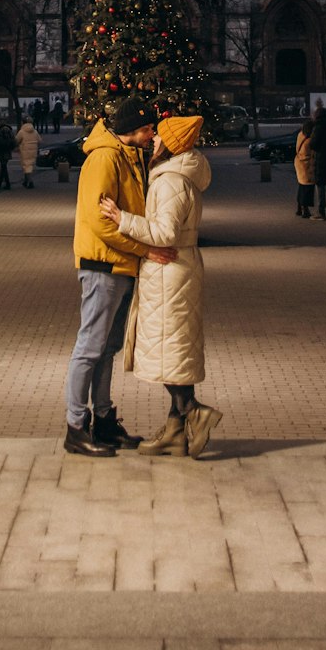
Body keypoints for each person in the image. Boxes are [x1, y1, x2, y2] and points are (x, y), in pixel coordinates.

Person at [101, 114, 220, 458]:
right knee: (175, 351)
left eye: (159, 137)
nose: (153, 140)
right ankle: (174, 432)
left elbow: (165, 233)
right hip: (177, 270)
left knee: (168, 351)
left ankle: (195, 412)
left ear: (171, 144)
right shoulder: (181, 175)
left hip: (169, 271)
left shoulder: (170, 181)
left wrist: (122, 219)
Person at [64, 95, 176, 457]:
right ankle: (75, 427)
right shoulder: (105, 157)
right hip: (103, 267)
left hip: (121, 266)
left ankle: (105, 421)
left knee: (106, 349)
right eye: (147, 130)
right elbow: (100, 222)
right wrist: (145, 250)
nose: (150, 136)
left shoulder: (128, 156)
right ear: (133, 129)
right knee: (89, 348)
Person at [294, 117, 316, 218]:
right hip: (307, 165)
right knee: (307, 188)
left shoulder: (300, 135)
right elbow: (314, 153)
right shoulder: (310, 140)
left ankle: (299, 207)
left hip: (299, 162)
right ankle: (305, 210)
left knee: (301, 186)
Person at [16, 116, 39, 188]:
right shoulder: (35, 131)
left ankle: (30, 181)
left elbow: (16, 140)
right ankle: (26, 181)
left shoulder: (21, 132)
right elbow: (40, 140)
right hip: (33, 150)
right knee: (29, 166)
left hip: (25, 150)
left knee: (26, 166)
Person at [0, 121, 14, 189]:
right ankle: (1, 182)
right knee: (4, 167)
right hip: (8, 151)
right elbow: (13, 141)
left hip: (2, 151)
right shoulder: (10, 131)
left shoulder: (0, 131)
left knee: (4, 167)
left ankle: (5, 183)